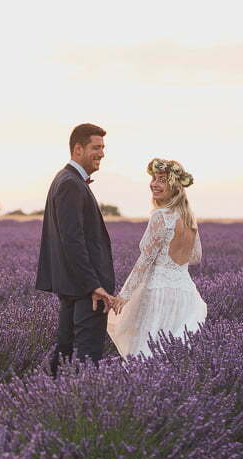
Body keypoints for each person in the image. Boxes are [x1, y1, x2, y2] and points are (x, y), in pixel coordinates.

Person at [35, 123, 116, 378]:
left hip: (71, 286)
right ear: (78, 149)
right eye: (96, 147)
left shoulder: (66, 179)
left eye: (103, 148)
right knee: (87, 356)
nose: (102, 153)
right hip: (84, 289)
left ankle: (50, 400)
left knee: (66, 352)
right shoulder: (71, 183)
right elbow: (72, 240)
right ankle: (80, 405)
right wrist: (94, 285)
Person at [107, 158, 207, 361]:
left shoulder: (161, 216)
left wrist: (124, 295)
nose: (154, 184)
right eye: (154, 178)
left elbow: (145, 260)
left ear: (174, 186)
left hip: (158, 293)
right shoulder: (189, 217)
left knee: (146, 352)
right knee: (174, 357)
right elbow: (196, 257)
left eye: (162, 180)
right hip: (186, 294)